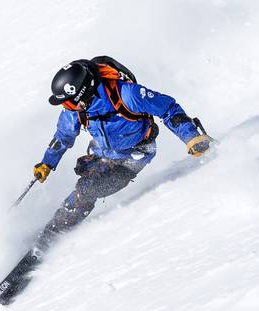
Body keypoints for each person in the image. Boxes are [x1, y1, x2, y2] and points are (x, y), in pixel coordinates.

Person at [32, 57, 213, 232]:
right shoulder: (76, 110)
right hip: (101, 152)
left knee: (88, 189)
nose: (67, 108)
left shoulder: (127, 94)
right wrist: (47, 163)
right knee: (84, 181)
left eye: (70, 103)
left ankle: (59, 229)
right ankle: (60, 220)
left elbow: (168, 108)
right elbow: (63, 136)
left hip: (134, 155)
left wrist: (191, 137)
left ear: (84, 94)